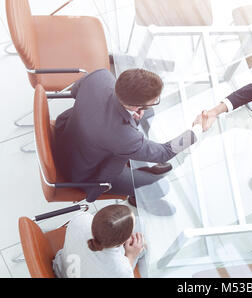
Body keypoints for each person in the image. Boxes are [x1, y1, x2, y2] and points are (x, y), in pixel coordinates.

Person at [55, 68, 204, 216]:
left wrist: (129, 116)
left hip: (66, 134)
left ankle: (139, 157)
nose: (156, 101)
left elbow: (75, 91)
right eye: (155, 100)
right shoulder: (125, 137)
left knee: (149, 113)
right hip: (83, 172)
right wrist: (196, 130)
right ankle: (138, 199)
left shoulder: (100, 76)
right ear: (134, 106)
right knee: (160, 187)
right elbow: (164, 152)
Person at [53, 205, 144, 278]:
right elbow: (124, 273)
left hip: (60, 268)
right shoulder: (121, 269)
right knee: (142, 247)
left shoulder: (81, 218)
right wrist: (131, 256)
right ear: (122, 242)